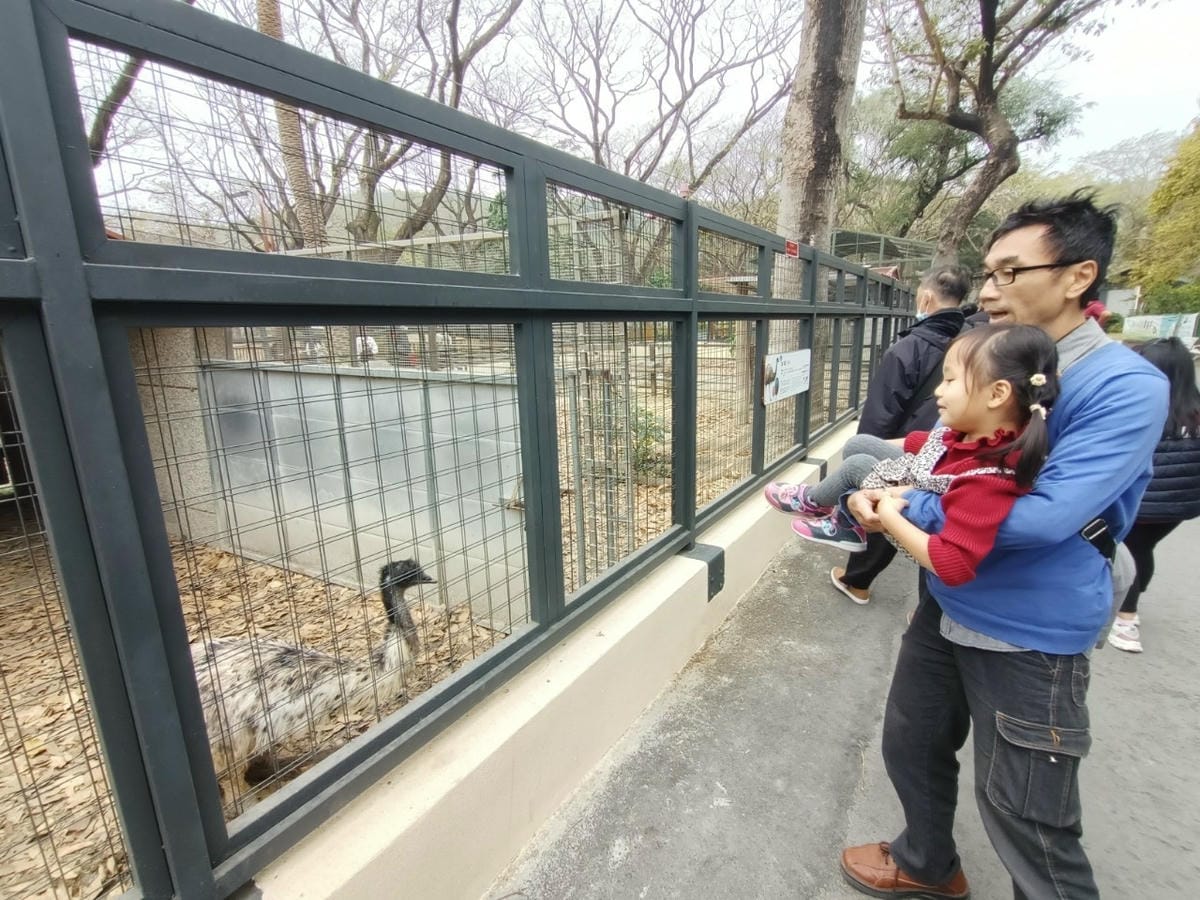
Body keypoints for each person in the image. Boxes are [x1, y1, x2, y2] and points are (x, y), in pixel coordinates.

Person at [838, 191, 1168, 900]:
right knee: (912, 740)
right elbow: (939, 458)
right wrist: (880, 489)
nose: (989, 291)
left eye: (1010, 273)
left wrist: (902, 507)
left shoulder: (1123, 386)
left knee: (1026, 816)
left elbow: (1043, 519)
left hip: (1031, 633)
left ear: (1079, 276)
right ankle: (927, 862)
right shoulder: (990, 357)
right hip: (948, 598)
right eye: (989, 273)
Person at [763, 265, 971, 603]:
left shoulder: (910, 348)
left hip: (931, 469)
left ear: (926, 298)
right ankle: (831, 513)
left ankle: (823, 513)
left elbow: (880, 411)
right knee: (860, 450)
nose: (940, 391)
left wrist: (870, 461)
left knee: (861, 466)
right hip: (936, 449)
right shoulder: (969, 343)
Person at [783, 325, 1059, 573]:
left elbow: (954, 564)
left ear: (997, 394)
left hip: (908, 515)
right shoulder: (975, 433)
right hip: (919, 480)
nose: (939, 390)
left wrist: (889, 514)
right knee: (859, 444)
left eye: (950, 380)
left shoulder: (989, 479)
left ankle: (816, 503)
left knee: (857, 466)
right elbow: (929, 443)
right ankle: (838, 513)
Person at [1107, 337, 1200, 653]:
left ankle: (1126, 619)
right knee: (1144, 548)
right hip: (1180, 506)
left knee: (1129, 552)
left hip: (1145, 501)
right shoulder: (1194, 412)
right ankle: (1132, 600)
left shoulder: (1146, 407)